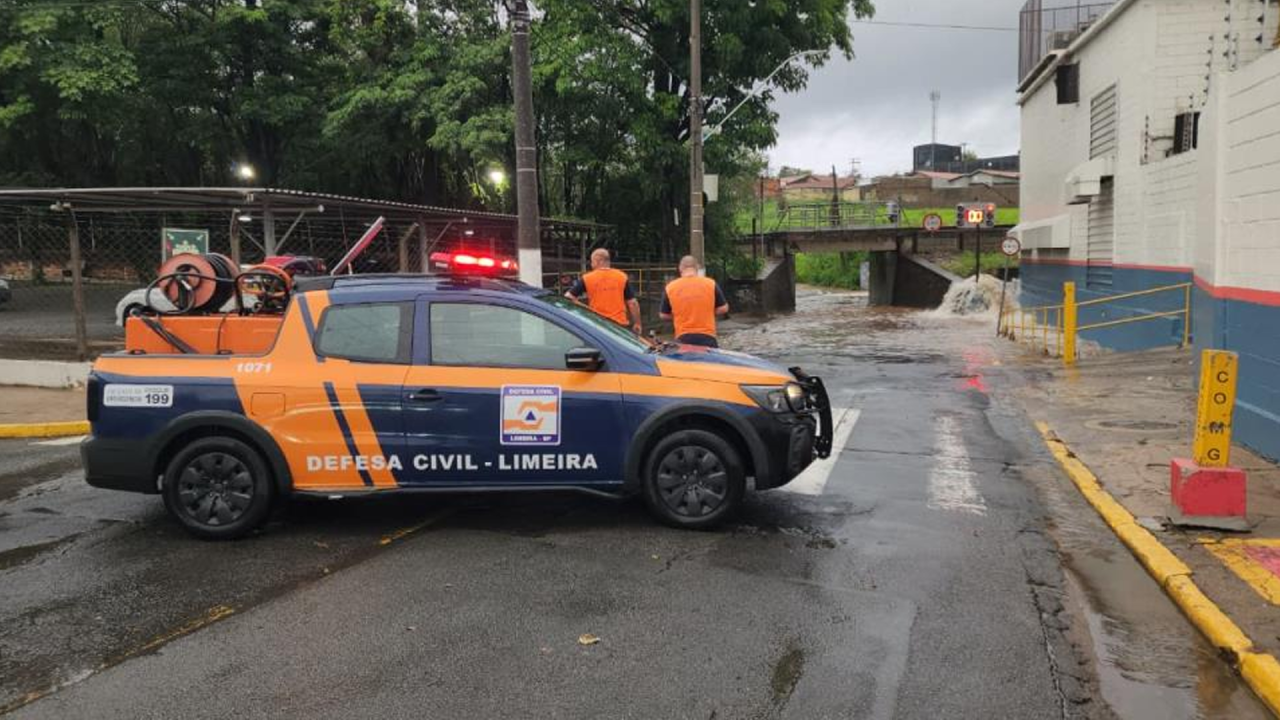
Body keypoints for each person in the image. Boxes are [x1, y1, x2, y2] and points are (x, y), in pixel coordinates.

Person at [565, 249, 642, 334]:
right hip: (619, 325)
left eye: (592, 262)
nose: (591, 264)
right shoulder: (622, 276)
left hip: (598, 324)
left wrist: (585, 308)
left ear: (598, 261)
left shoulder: (587, 278)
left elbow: (568, 297)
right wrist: (637, 323)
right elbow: (632, 303)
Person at [660, 255, 729, 348]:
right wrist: (707, 312)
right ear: (697, 268)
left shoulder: (670, 287)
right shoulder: (710, 284)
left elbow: (663, 315)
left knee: (687, 358)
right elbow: (724, 308)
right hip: (707, 336)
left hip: (683, 337)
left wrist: (679, 314)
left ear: (680, 268)